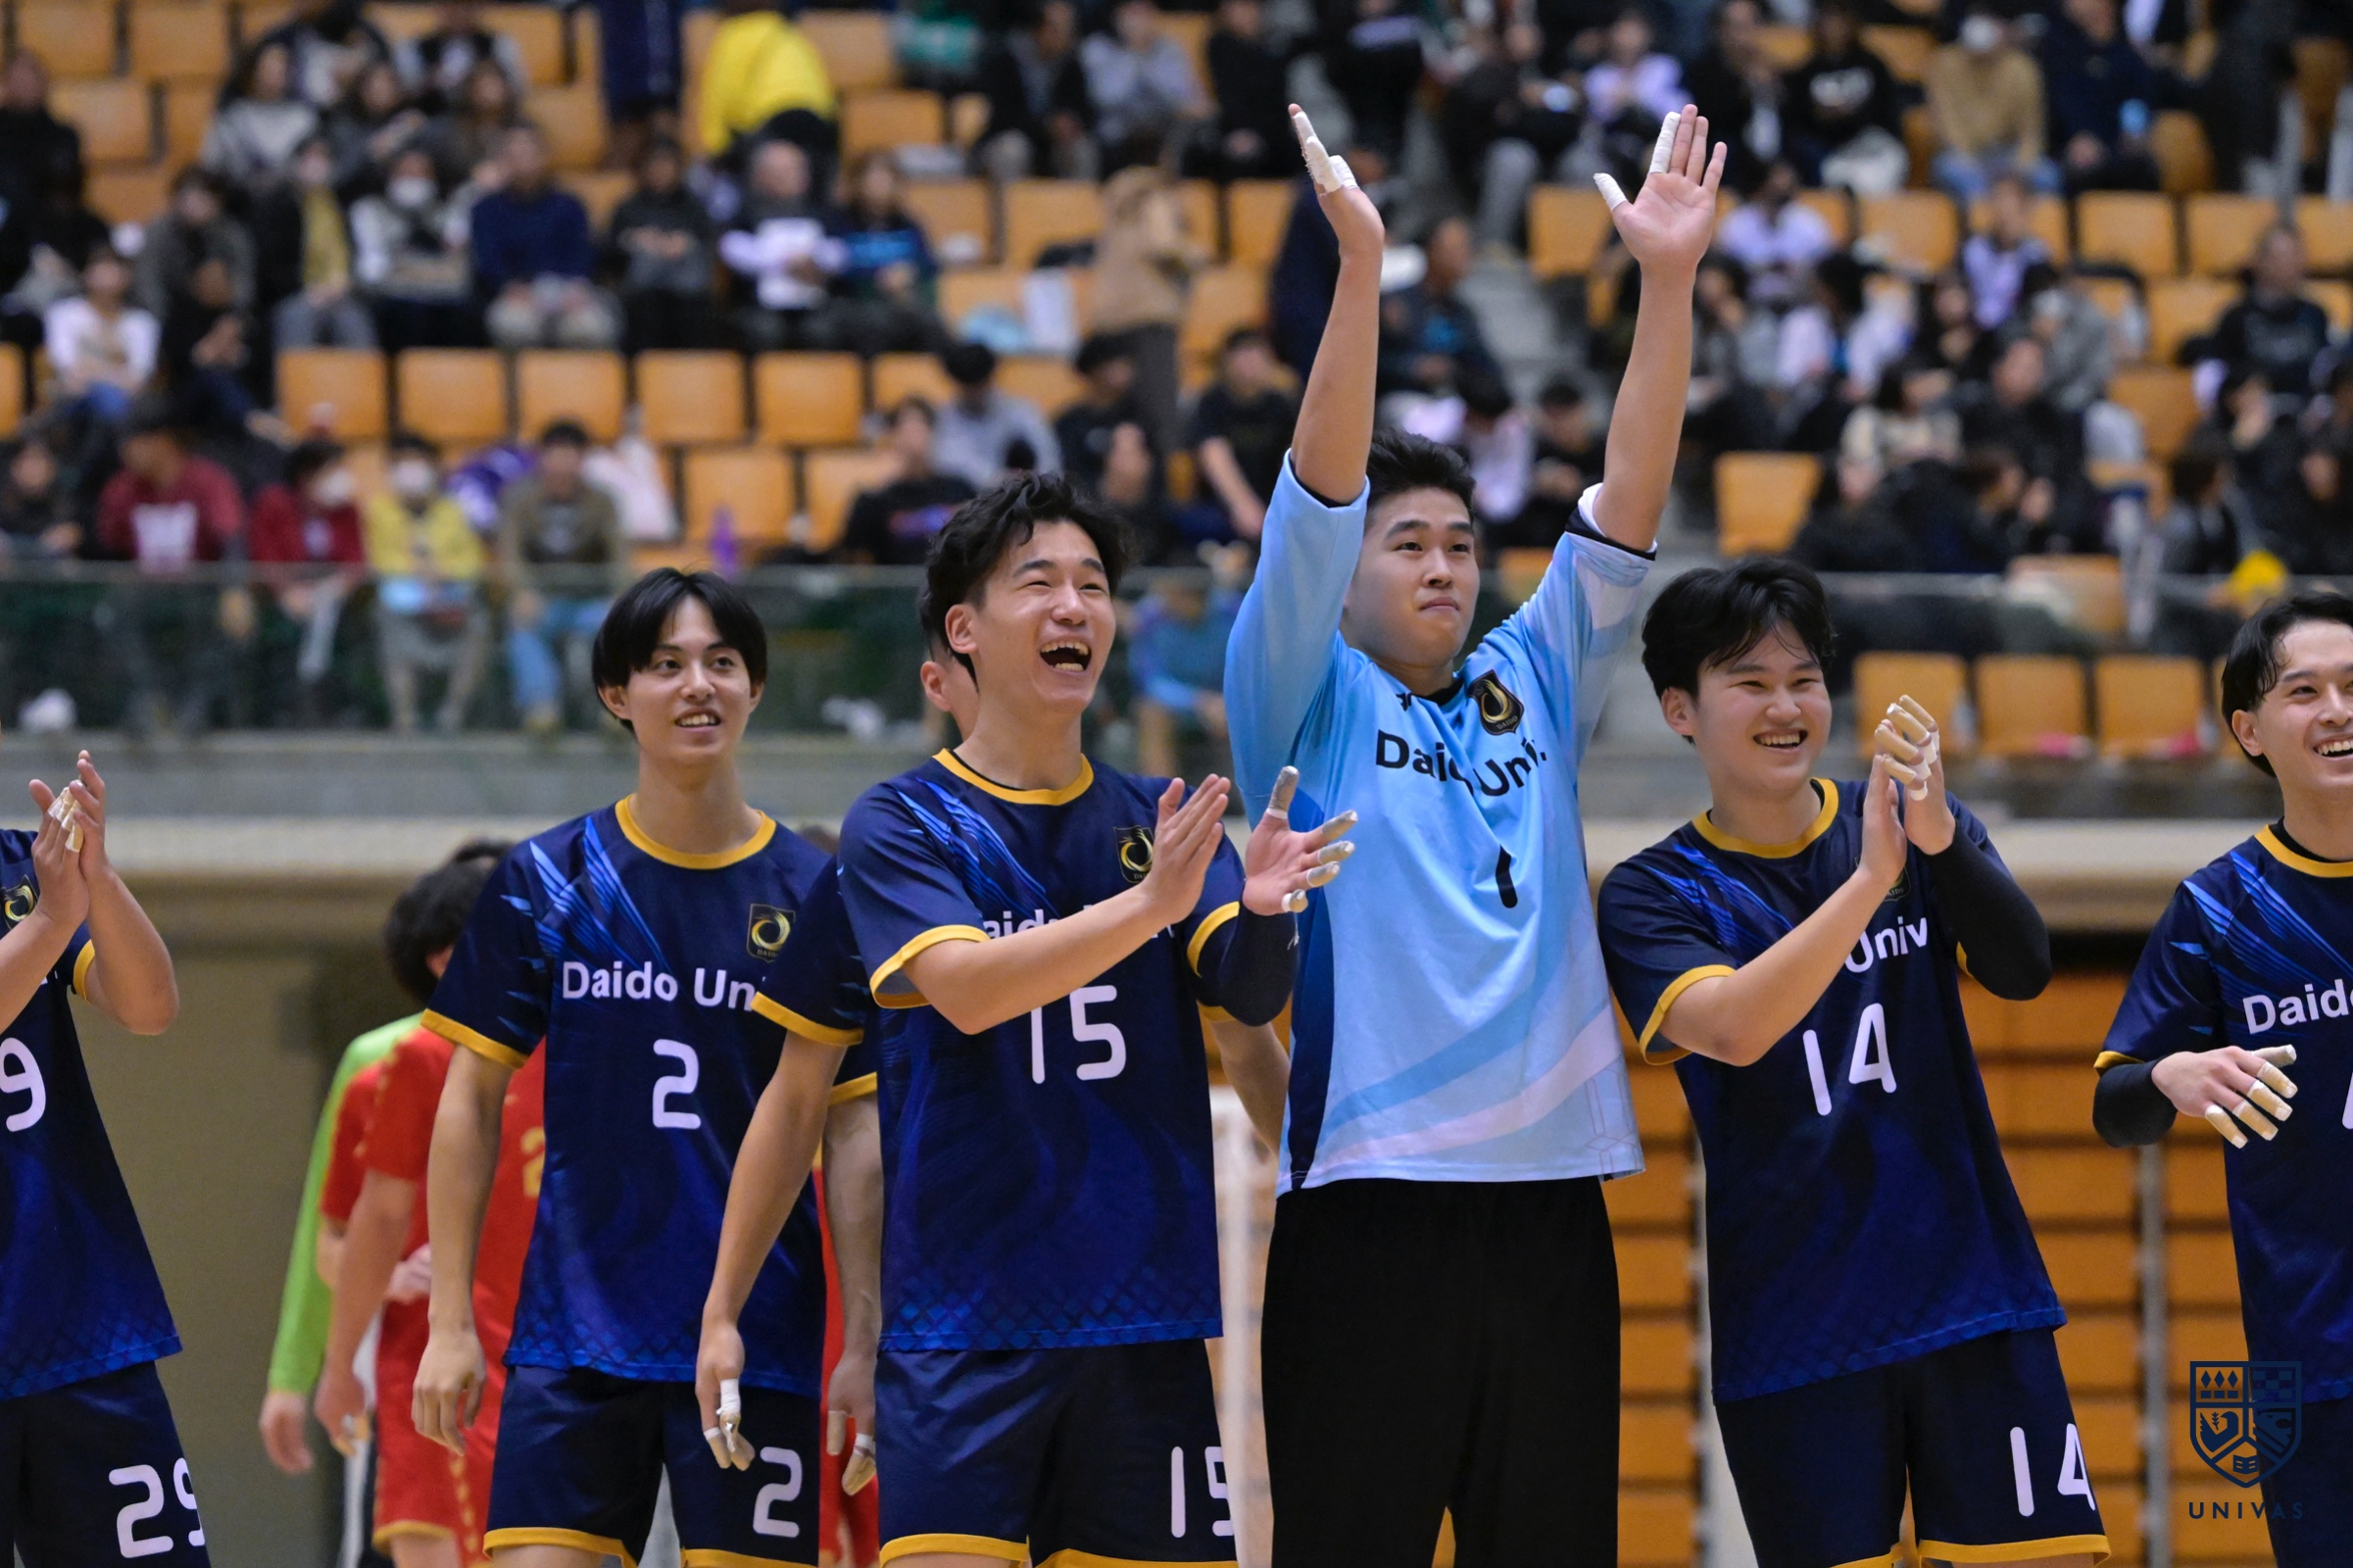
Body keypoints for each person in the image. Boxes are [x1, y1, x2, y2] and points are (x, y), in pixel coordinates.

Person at [1224, 102, 1721, 1566]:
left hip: (1551, 1206)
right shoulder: (1300, 691)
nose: (1442, 565)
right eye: (1407, 543)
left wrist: (1668, 285)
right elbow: (1320, 488)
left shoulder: (1534, 673)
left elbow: (1630, 494)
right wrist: (1358, 274)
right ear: (1342, 575)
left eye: (1458, 543)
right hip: (1369, 1206)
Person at [699, 471, 1335, 1568]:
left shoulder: (1155, 820)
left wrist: (1269, 917)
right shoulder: (900, 825)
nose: (1073, 605)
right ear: (963, 631)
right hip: (960, 1334)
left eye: (1093, 584)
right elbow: (961, 992)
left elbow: (1246, 1005)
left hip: (1142, 1326)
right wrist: (727, 1309)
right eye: (1038, 582)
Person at [1596, 561, 2106, 1568]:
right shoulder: (1653, 891)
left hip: (1972, 1300)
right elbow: (1733, 1028)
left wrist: (1940, 844)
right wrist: (1874, 878)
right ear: (1678, 709)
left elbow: (2022, 970)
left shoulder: (1914, 823)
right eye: (1749, 682)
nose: (1785, 706)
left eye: (1803, 679)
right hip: (1799, 1333)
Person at [411, 568, 872, 1567]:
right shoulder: (545, 880)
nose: (697, 685)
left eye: (721, 662)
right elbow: (469, 1099)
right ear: (616, 694)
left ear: (756, 686)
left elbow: (852, 1131)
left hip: (758, 1338)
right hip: (574, 1337)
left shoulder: (819, 893)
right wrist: (449, 1323)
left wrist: (865, 1336)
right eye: (665, 665)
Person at [2094, 590, 2353, 1561]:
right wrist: (2168, 1074)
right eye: (2305, 691)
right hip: (2311, 1352)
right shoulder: (2217, 911)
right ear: (2248, 730)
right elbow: (2113, 1104)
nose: (2337, 710)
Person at [314, 851, 541, 1568]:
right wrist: (339, 1357)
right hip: (440, 1357)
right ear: (444, 959)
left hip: (549, 1362)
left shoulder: (578, 1052)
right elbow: (345, 1238)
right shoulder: (400, 1068)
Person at [0, 747, 198, 1559]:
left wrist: (97, 879)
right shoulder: (38, 905)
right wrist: (51, 920)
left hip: (74, 1317)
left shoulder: (21, 867)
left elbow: (150, 1007)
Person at [93, 407, 248, 736]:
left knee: (226, 624)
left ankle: (199, 708)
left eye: (135, 443)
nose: (127, 453)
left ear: (162, 442)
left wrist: (235, 590)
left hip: (200, 590)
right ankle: (146, 701)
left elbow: (230, 538)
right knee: (110, 614)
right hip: (144, 592)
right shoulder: (122, 489)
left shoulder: (207, 481)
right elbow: (111, 547)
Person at [497, 420, 631, 735]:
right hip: (542, 601)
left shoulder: (603, 501)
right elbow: (509, 555)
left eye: (570, 455)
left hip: (591, 602)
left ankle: (614, 708)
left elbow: (621, 557)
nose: (561, 464)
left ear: (582, 459)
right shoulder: (519, 500)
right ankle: (541, 708)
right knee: (522, 624)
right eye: (554, 455)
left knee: (620, 624)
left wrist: (620, 596)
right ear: (541, 458)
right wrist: (522, 591)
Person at [364, 432, 488, 733]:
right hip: (401, 604)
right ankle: (405, 716)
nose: (411, 473)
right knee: (383, 614)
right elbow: (379, 559)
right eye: (402, 465)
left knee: (479, 622)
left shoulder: (452, 510)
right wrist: (417, 570)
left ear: (433, 469)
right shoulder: (380, 510)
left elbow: (472, 562)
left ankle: (453, 714)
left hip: (450, 601)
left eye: (417, 464)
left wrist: (441, 571)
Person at [247, 438, 368, 724]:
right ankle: (286, 708)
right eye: (332, 470)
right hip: (282, 596)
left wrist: (337, 587)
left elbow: (355, 560)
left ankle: (334, 705)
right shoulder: (274, 503)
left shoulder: (346, 511)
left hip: (333, 597)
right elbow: (264, 553)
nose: (341, 477)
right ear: (308, 474)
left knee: (342, 627)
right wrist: (286, 592)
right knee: (284, 635)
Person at [1089, 163, 1205, 455]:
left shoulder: (1119, 204)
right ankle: (1164, 476)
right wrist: (1195, 256)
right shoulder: (1155, 199)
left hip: (1112, 317)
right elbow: (1163, 245)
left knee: (1126, 412)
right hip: (1151, 314)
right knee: (1159, 414)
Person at [470, 125, 619, 351]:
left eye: (529, 153)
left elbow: (583, 252)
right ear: (502, 160)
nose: (522, 161)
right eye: (514, 155)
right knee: (513, 325)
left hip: (567, 290)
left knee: (589, 327)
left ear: (543, 157)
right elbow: (487, 261)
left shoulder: (570, 205)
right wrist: (508, 286)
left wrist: (575, 287)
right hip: (515, 294)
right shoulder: (486, 209)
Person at [720, 139, 842, 354]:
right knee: (764, 331)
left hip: (813, 303)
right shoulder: (746, 212)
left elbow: (838, 250)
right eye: (783, 171)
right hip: (758, 305)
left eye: (796, 169)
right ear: (761, 175)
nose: (793, 176)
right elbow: (732, 248)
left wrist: (814, 260)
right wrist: (784, 261)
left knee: (823, 330)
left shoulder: (819, 211)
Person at [351, 148, 477, 353]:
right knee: (405, 314)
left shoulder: (447, 213)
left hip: (443, 298)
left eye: (421, 174)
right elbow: (371, 272)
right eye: (406, 173)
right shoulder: (371, 211)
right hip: (393, 299)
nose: (413, 181)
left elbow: (458, 272)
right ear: (391, 177)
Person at [1927, 4, 2055, 200]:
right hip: (1965, 154)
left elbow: (2031, 130)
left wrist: (2019, 168)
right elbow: (1947, 122)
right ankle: (1982, 218)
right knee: (1953, 171)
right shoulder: (1944, 63)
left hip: (2008, 154)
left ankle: (2029, 220)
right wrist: (1970, 161)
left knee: (2047, 176)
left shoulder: (2021, 67)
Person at [261, 134, 377, 350]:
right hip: (297, 293)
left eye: (323, 157)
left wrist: (341, 285)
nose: (316, 164)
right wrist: (310, 291)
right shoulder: (279, 205)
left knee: (355, 325)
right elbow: (272, 264)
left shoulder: (338, 202)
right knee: (298, 319)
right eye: (310, 156)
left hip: (340, 293)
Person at [606, 136, 719, 353]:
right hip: (642, 293)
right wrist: (632, 241)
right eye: (655, 163)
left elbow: (708, 244)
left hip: (687, 292)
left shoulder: (694, 209)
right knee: (643, 307)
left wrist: (684, 244)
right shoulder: (628, 208)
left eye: (667, 163)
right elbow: (608, 253)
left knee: (696, 307)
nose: (661, 170)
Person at [698, 0, 838, 175]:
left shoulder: (735, 33)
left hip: (771, 120)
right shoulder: (788, 32)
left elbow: (721, 94)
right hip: (818, 122)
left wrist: (716, 150)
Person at [2199, 225, 2332, 405]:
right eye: (2282, 258)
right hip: (2256, 410)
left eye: (2296, 256)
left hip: (2306, 412)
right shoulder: (2237, 318)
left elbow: (2326, 369)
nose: (2292, 266)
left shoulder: (2315, 315)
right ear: (2259, 262)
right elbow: (2215, 376)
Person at [836, 398, 978, 566]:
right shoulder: (875, 501)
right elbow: (851, 556)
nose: (915, 437)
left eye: (921, 427)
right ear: (892, 435)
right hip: (895, 582)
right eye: (907, 428)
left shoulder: (960, 490)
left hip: (950, 580)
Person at [1187, 326, 1298, 542]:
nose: (1249, 363)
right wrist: (1241, 505)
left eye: (1256, 355)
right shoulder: (1211, 403)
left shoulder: (1281, 405)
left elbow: (1293, 457)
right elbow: (1213, 454)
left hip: (1272, 501)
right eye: (1242, 355)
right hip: (1221, 506)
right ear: (1226, 362)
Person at [1781, 0, 1904, 194]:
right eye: (1827, 20)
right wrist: (1822, 116)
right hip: (1830, 151)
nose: (1833, 28)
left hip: (1870, 145)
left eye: (1839, 20)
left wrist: (1853, 114)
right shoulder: (1808, 72)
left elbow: (1887, 111)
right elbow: (1797, 120)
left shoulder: (1872, 65)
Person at [825, 153, 941, 358]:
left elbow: (928, 264)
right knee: (874, 323)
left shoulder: (908, 224)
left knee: (929, 321)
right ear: (857, 183)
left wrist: (909, 272)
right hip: (854, 303)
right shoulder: (838, 223)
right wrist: (877, 276)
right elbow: (831, 264)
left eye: (886, 179)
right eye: (873, 179)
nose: (879, 186)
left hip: (899, 301)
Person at [1375, 216, 1500, 403]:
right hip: (1400, 397)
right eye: (1454, 248)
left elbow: (1484, 365)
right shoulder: (1394, 305)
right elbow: (1370, 362)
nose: (1463, 256)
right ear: (1430, 251)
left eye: (1466, 248)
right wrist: (1412, 368)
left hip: (1450, 398)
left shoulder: (1461, 312)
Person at [2041, 0, 2160, 195]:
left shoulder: (2130, 60)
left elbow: (2138, 105)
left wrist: (2132, 137)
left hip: (2117, 149)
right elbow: (2055, 110)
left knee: (2140, 168)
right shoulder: (2059, 56)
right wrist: (2075, 141)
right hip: (2070, 148)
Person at [1133, 565, 1242, 777]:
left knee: (1257, 711)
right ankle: (1162, 792)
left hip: (1228, 702)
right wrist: (1199, 701)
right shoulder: (1150, 616)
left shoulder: (1232, 612)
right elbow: (1151, 681)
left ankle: (1258, 794)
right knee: (1151, 713)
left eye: (1173, 593)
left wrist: (1229, 702)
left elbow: (1251, 670)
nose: (1164, 599)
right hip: (1180, 706)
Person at [972, 0, 1095, 182]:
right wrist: (1046, 125)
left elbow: (1086, 109)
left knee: (1082, 148)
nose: (1066, 35)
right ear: (1040, 29)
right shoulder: (1006, 60)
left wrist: (1071, 121)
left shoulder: (1071, 64)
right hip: (1008, 138)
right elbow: (1003, 116)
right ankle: (1007, 202)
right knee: (1012, 149)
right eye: (1058, 29)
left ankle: (1079, 201)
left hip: (1052, 147)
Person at [1081, 0, 1208, 167]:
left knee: (1200, 128)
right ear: (1117, 16)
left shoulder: (1168, 47)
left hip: (1162, 127)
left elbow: (1182, 97)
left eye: (1147, 12)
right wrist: (1133, 50)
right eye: (1134, 12)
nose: (1141, 20)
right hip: (1117, 132)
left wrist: (1145, 55)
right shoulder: (1097, 46)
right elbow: (1106, 98)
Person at [43, 245, 157, 427]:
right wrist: (117, 374)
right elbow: (66, 364)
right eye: (101, 271)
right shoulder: (64, 313)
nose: (107, 278)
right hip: (72, 398)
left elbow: (139, 376)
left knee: (113, 401)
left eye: (113, 271)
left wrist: (93, 371)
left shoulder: (141, 322)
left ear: (127, 277)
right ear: (86, 275)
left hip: (124, 401)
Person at [932, 339, 1062, 490]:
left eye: (982, 384)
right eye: (970, 387)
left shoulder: (1021, 411)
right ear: (956, 383)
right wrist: (1000, 479)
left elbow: (1049, 457)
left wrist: (1034, 481)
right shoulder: (946, 421)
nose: (977, 393)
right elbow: (948, 464)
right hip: (973, 498)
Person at [1197, 0, 1299, 182]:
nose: (1244, 13)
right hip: (1233, 128)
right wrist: (1242, 132)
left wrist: (1260, 136)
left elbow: (1276, 100)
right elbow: (1228, 97)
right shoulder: (1220, 45)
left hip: (1274, 131)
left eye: (1249, 6)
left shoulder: (1276, 46)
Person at [1713, 160, 1836, 310]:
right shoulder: (1736, 224)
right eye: (1775, 181)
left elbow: (1826, 269)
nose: (1780, 186)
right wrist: (1758, 268)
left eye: (1786, 181)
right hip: (1749, 307)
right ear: (1761, 185)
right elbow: (1723, 270)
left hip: (1802, 305)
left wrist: (1798, 269)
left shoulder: (1811, 223)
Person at [204, 41, 321, 190]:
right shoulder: (233, 118)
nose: (273, 77)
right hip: (240, 196)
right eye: (267, 70)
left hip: (293, 196)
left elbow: (317, 169)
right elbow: (211, 164)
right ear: (253, 71)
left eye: (280, 70)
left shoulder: (303, 118)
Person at [398, 0, 527, 117]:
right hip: (430, 116)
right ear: (439, 9)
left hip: (484, 119)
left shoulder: (497, 43)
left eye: (466, 7)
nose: (459, 13)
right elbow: (404, 91)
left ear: (478, 9)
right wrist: (429, 80)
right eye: (452, 7)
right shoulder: (418, 46)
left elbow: (517, 88)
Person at [1960, 172, 2049, 332]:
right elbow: (1959, 290)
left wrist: (2015, 244)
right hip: (1975, 328)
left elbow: (2038, 301)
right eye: (1997, 198)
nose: (2003, 207)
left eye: (2009, 199)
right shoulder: (1973, 248)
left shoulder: (2035, 253)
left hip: (2018, 329)